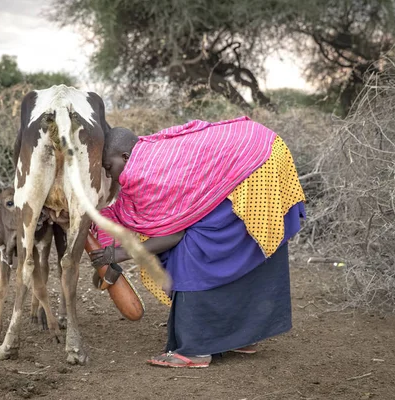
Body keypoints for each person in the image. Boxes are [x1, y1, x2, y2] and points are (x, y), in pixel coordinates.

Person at [90, 117, 306, 368]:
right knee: (239, 249)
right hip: (259, 149)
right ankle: (235, 337)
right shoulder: (145, 154)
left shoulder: (143, 172)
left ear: (126, 157)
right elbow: (122, 212)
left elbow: (173, 235)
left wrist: (118, 255)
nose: (108, 174)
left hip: (258, 163)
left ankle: (195, 350)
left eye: (108, 166)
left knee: (192, 254)